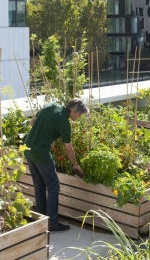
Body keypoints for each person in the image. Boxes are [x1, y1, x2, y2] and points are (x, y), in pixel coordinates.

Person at [24, 98, 89, 232]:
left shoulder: (51, 106)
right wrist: (75, 165)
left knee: (39, 184)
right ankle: (52, 223)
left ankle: (40, 219)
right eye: (79, 114)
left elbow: (32, 122)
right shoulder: (64, 123)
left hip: (28, 148)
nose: (79, 117)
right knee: (53, 186)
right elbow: (69, 149)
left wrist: (45, 137)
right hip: (41, 153)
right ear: (73, 111)